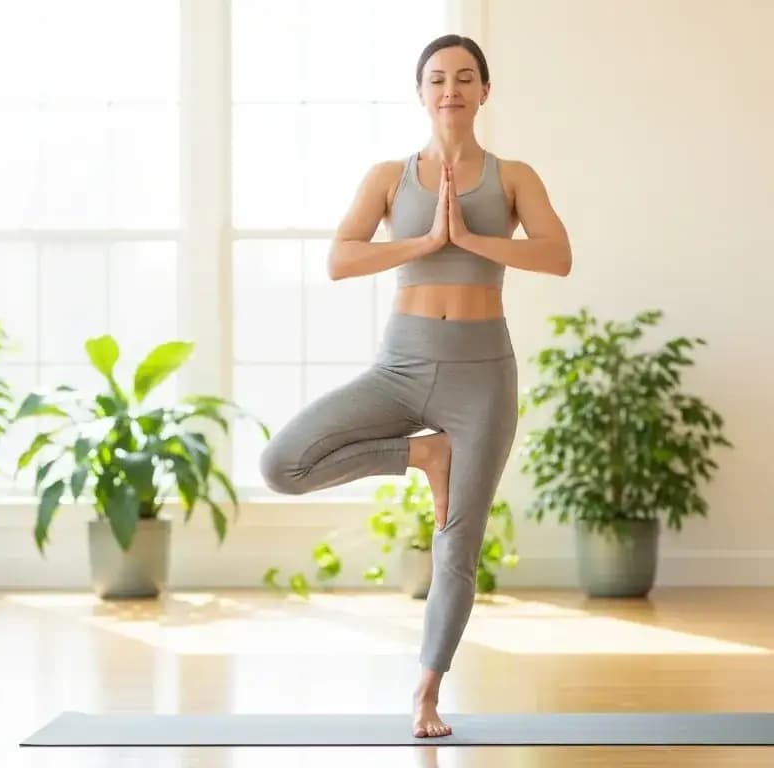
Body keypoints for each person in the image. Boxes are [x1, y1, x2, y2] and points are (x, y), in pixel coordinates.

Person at [258, 34, 572, 738]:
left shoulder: (513, 175)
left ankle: (426, 694)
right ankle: (420, 455)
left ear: (484, 92)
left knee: (457, 545)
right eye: (437, 78)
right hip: (399, 366)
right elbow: (341, 259)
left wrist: (469, 237)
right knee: (282, 464)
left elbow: (557, 256)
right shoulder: (388, 177)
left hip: (482, 376)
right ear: (422, 93)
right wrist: (426, 242)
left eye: (465, 77)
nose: (451, 89)